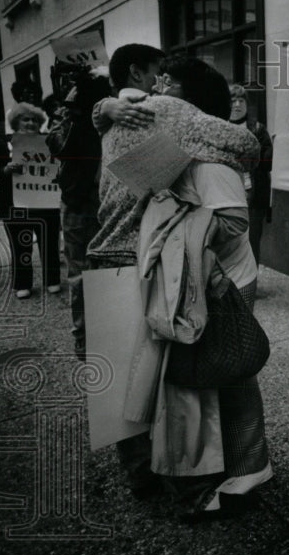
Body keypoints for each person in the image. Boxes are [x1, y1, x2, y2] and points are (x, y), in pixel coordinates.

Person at [85, 45, 261, 506]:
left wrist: (101, 109)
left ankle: (142, 480)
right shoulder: (165, 110)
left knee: (118, 384)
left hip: (102, 254)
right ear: (141, 74)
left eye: (169, 79)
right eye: (158, 75)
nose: (161, 84)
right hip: (144, 262)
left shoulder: (118, 115)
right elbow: (246, 143)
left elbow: (95, 124)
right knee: (167, 381)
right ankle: (191, 488)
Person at [147, 56, 272, 519]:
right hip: (201, 280)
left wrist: (173, 224)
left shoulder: (211, 155)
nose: (160, 93)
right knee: (212, 378)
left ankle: (248, 471)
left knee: (232, 375)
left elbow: (234, 220)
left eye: (170, 87)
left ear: (193, 102)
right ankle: (228, 467)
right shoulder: (175, 144)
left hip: (226, 285)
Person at [46, 67, 112, 360]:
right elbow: (58, 145)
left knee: (104, 270)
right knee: (81, 273)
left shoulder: (112, 114)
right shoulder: (72, 116)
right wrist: (71, 115)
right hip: (79, 202)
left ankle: (102, 332)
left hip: (105, 202)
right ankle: (85, 336)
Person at [0, 103, 63, 300]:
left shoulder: (49, 142)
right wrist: (5, 170)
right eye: (26, 119)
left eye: (34, 120)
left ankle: (52, 280)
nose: (31, 123)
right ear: (16, 122)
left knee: (49, 242)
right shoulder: (4, 144)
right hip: (14, 203)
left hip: (44, 201)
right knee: (20, 244)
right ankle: (23, 283)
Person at [228, 83, 274, 266]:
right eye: (233, 101)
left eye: (241, 100)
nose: (238, 105)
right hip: (227, 193)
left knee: (252, 241)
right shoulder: (218, 128)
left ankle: (250, 287)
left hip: (253, 197)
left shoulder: (258, 130)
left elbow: (267, 163)